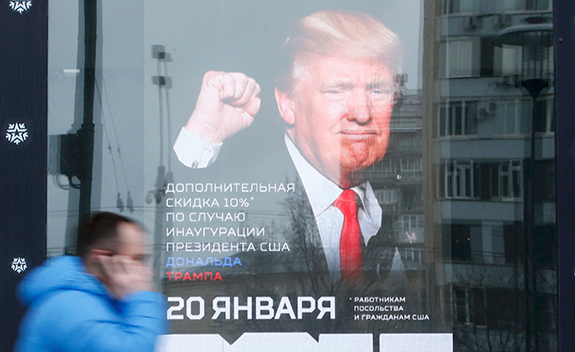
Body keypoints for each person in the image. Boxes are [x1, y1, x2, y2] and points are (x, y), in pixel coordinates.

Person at [173, 10, 406, 283]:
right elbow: (173, 220)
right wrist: (203, 134)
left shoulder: (399, 213)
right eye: (337, 90)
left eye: (377, 90)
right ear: (287, 102)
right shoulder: (253, 196)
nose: (362, 113)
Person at [13, 212, 167, 352]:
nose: (146, 271)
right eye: (136, 259)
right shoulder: (69, 307)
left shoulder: (102, 304)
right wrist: (142, 297)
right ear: (102, 259)